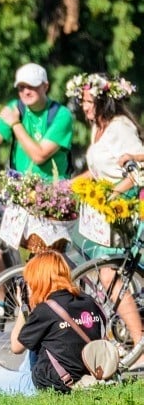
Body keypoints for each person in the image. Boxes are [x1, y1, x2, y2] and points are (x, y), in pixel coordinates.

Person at [0, 251, 107, 395]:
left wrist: (24, 309)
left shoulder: (45, 310)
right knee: (38, 341)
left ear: (38, 280)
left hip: (47, 385)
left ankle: (14, 386)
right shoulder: (88, 301)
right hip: (87, 376)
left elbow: (16, 347)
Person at [67, 73, 143, 349]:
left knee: (109, 273)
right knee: (90, 265)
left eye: (88, 101)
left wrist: (114, 193)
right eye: (82, 101)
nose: (84, 106)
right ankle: (114, 330)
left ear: (103, 101)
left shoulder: (119, 126)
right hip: (100, 210)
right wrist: (68, 186)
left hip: (121, 207)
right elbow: (99, 169)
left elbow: (139, 168)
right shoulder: (98, 127)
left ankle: (139, 342)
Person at [0, 62, 74, 196]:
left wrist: (15, 124)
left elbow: (39, 155)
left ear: (45, 86)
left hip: (53, 194)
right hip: (21, 191)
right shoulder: (15, 108)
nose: (26, 92)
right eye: (21, 87)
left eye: (32, 86)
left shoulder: (61, 115)